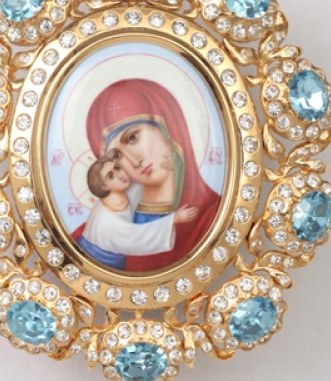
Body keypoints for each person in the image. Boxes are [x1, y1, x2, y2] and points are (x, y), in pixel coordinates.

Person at [72, 79, 221, 271]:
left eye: (133, 137)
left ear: (169, 128)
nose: (134, 162)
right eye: (116, 156)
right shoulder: (95, 231)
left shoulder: (212, 218)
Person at [76, 156, 199, 269]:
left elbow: (144, 184)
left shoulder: (125, 192)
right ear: (103, 187)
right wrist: (175, 219)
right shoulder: (106, 220)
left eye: (117, 168)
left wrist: (165, 165)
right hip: (95, 263)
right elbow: (138, 237)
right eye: (111, 176)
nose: (119, 175)